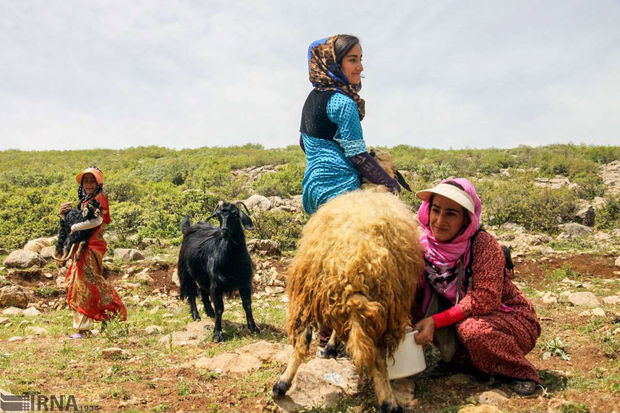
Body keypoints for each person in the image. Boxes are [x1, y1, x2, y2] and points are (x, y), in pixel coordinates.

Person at [299, 34, 401, 357]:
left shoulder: (312, 99)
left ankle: (323, 341)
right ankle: (333, 340)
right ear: (335, 63)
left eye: (360, 59)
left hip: (313, 188)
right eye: (352, 60)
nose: (359, 66)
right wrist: (390, 182)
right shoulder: (342, 103)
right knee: (345, 267)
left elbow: (304, 143)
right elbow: (357, 157)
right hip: (341, 190)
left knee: (322, 261)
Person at [411, 178, 540, 395]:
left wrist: (435, 320)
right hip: (463, 315)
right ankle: (458, 362)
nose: (440, 220)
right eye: (436, 210)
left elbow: (485, 299)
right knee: (413, 305)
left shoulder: (483, 244)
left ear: (465, 219)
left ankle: (520, 372)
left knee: (473, 330)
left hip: (508, 320)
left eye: (451, 213)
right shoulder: (425, 246)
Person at [59, 166, 127, 339]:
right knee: (81, 283)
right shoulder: (86, 200)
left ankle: (84, 328)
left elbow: (97, 220)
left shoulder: (99, 198)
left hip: (92, 247)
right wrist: (64, 217)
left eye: (92, 181)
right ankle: (109, 315)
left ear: (98, 183)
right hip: (84, 246)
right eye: (86, 181)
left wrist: (74, 227)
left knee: (84, 283)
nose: (88, 184)